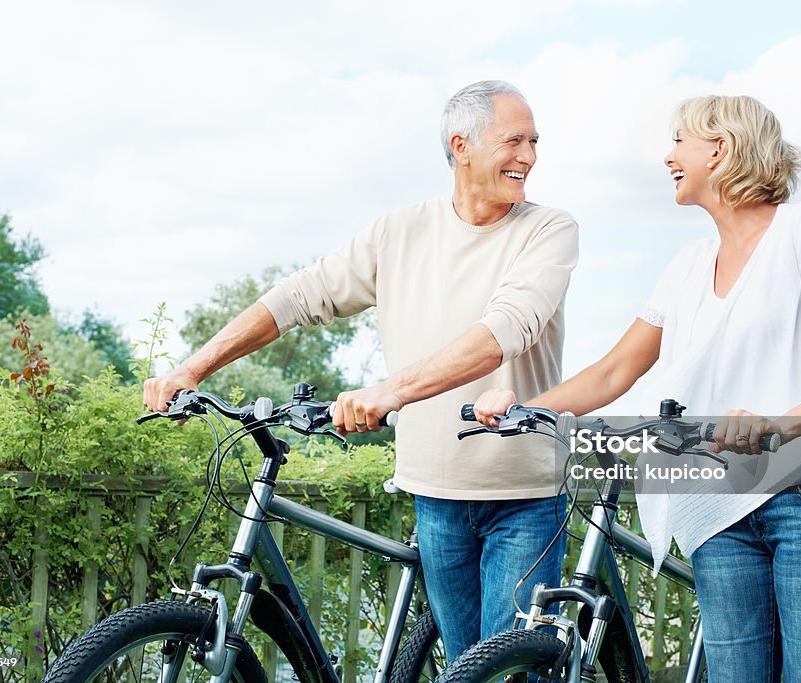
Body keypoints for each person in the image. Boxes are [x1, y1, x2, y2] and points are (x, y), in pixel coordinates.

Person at [143, 80, 579, 661]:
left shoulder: (549, 230)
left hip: (523, 494)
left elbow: (502, 332)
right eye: (514, 141)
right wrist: (192, 367)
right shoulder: (399, 232)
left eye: (534, 141)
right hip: (434, 493)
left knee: (503, 671)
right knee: (459, 667)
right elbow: (302, 295)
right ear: (462, 145)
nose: (528, 156)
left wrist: (389, 392)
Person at [472, 95, 801, 682]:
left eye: (679, 141)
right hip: (717, 505)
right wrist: (524, 408)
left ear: (720, 148)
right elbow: (616, 371)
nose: (667, 156)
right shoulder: (689, 264)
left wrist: (778, 424)